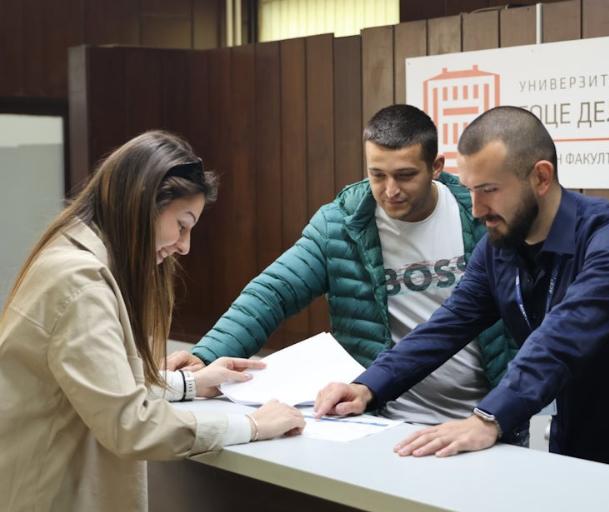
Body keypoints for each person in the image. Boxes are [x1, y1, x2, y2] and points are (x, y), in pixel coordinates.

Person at [315, 106, 609, 482]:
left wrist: (487, 418)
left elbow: (563, 336)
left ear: (541, 177)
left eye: (489, 190)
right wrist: (369, 386)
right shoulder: (499, 247)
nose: (476, 209)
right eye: (470, 190)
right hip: (576, 448)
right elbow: (447, 326)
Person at [0, 131, 305, 512]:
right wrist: (252, 426)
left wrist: (191, 384)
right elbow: (129, 424)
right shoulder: (81, 282)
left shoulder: (73, 255)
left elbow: (96, 386)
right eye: (182, 225)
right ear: (144, 203)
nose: (184, 246)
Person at [168, 105, 526, 433]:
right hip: (382, 419)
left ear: (436, 167)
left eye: (405, 175)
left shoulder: (481, 217)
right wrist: (206, 355)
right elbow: (273, 293)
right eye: (377, 174)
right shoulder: (341, 225)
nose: (390, 190)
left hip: (482, 420)